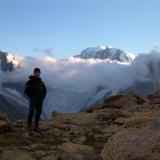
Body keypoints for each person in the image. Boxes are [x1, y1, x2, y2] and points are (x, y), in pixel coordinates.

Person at [24, 68, 46, 135]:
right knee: (31, 112)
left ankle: (36, 127)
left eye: (39, 72)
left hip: (40, 100)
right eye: (36, 72)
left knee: (38, 113)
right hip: (33, 99)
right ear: (34, 73)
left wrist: (42, 97)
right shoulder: (30, 82)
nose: (38, 73)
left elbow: (45, 90)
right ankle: (29, 127)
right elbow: (26, 91)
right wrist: (31, 97)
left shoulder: (41, 82)